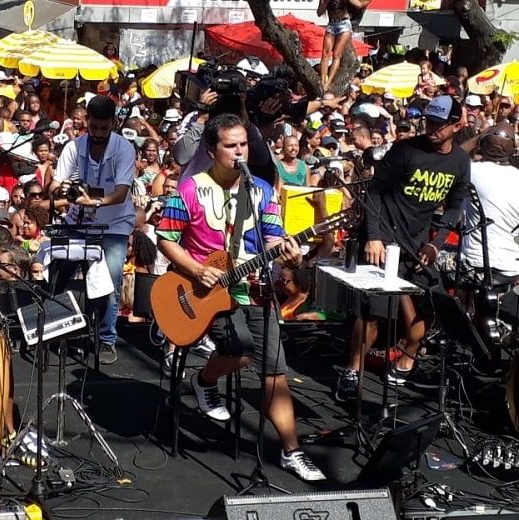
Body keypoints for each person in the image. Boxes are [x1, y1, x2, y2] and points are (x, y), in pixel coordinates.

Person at [155, 113, 326, 481]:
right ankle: (204, 381)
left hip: (256, 288)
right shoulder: (190, 188)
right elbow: (165, 238)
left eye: (244, 144)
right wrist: (197, 269)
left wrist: (288, 251)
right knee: (240, 348)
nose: (239, 153)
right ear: (212, 150)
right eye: (231, 146)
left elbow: (273, 236)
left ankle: (291, 451)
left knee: (275, 373)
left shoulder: (262, 189)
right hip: (204, 289)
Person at [334, 96, 471, 402]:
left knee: (432, 304)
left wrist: (436, 244)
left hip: (418, 242)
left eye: (440, 124)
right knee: (374, 312)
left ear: (457, 125)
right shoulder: (406, 150)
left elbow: (456, 205)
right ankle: (351, 371)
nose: (433, 128)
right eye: (429, 121)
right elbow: (375, 192)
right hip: (384, 234)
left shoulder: (460, 161)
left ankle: (407, 357)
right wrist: (373, 236)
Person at [49, 95, 136, 365]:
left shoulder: (124, 149)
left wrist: (94, 201)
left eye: (104, 128)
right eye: (94, 127)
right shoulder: (74, 148)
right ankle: (57, 330)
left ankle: (106, 338)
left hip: (114, 223)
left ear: (113, 123)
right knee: (57, 273)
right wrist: (60, 191)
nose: (98, 134)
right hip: (79, 220)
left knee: (109, 281)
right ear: (86, 122)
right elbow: (54, 186)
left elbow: (121, 193)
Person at [461, 124, 519, 355]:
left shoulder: (471, 171)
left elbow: (452, 157)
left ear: (483, 146)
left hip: (474, 265)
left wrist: (479, 136)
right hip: (512, 267)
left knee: (425, 264)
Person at [317, 0, 372, 90]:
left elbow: (360, 4)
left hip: (344, 24)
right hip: (331, 24)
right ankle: (322, 81)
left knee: (337, 54)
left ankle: (328, 82)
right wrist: (325, 3)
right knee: (325, 53)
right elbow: (319, 13)